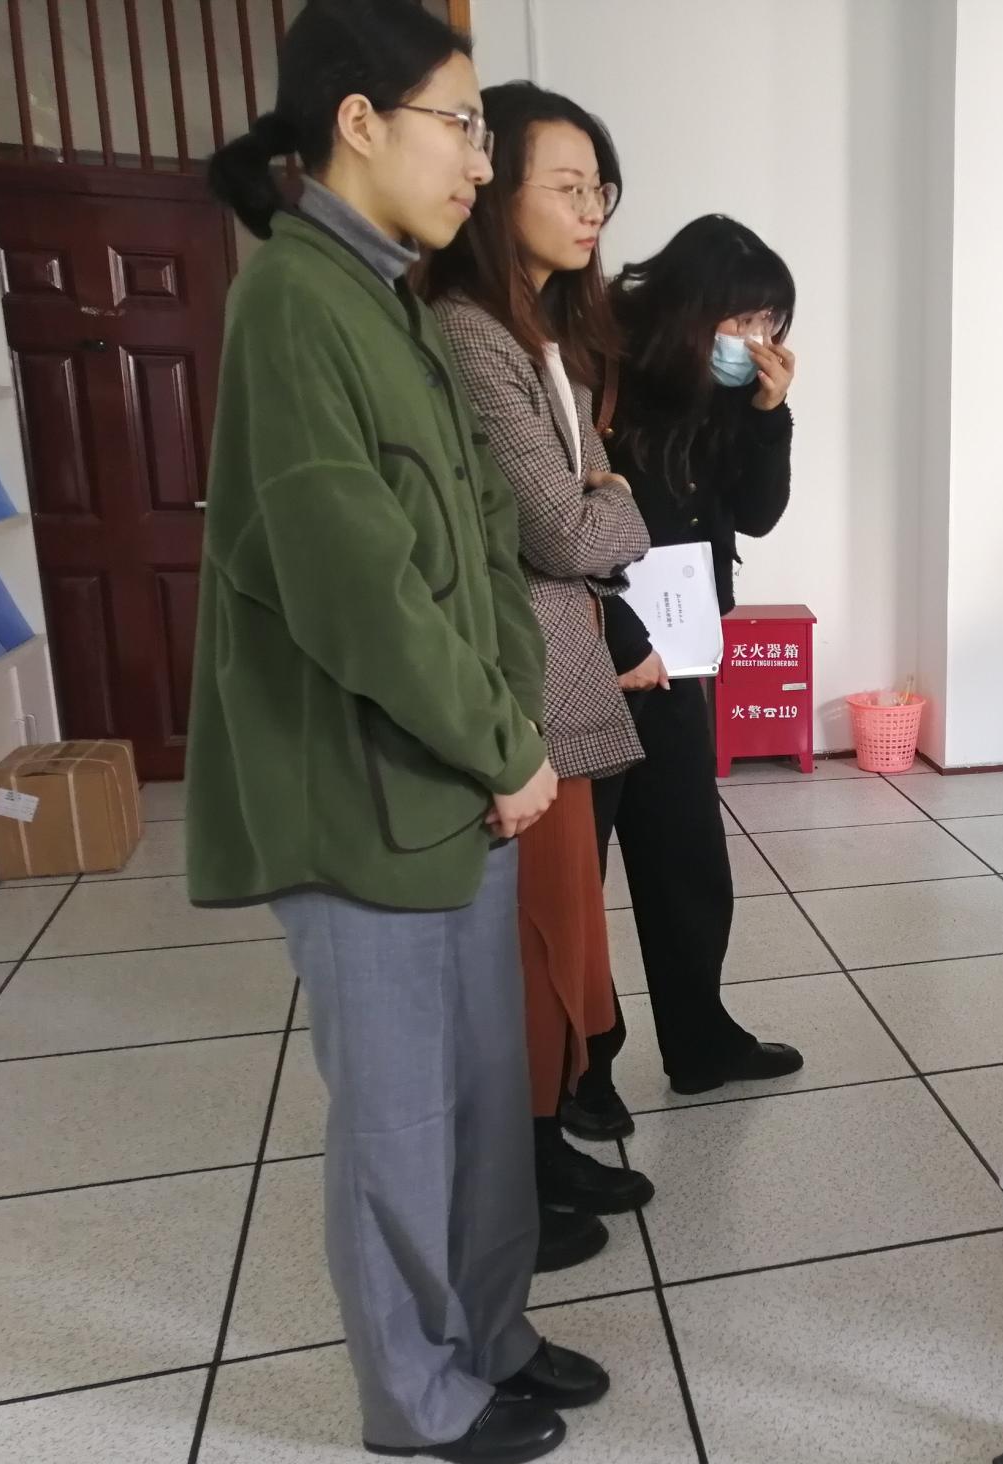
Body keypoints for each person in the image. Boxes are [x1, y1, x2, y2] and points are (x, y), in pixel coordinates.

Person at [189, 0, 607, 1464]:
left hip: (452, 776)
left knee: (485, 1101)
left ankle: (487, 1335)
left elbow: (485, 546)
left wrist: (508, 727)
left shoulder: (393, 300)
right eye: (463, 125)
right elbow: (354, 587)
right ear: (358, 122)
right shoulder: (294, 301)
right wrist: (503, 747)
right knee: (401, 1123)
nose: (481, 163)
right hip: (363, 793)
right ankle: (416, 1396)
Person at [423, 81, 655, 1273]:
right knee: (532, 940)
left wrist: (602, 507)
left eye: (597, 187)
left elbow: (588, 507)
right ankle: (513, 1166)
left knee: (566, 933)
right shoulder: (471, 334)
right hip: (525, 685)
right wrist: (612, 510)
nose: (589, 209)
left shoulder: (543, 335)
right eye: (563, 185)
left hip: (565, 670)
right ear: (491, 188)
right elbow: (568, 530)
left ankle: (547, 1139)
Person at [556, 214, 805, 1138]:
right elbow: (560, 523)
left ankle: (701, 1041)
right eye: (741, 320)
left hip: (680, 654)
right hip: (593, 653)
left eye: (769, 323)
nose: (754, 340)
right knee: (575, 876)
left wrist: (768, 415)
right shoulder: (600, 367)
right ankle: (580, 1067)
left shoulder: (721, 393)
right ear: (691, 308)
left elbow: (757, 514)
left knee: (687, 859)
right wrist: (623, 641)